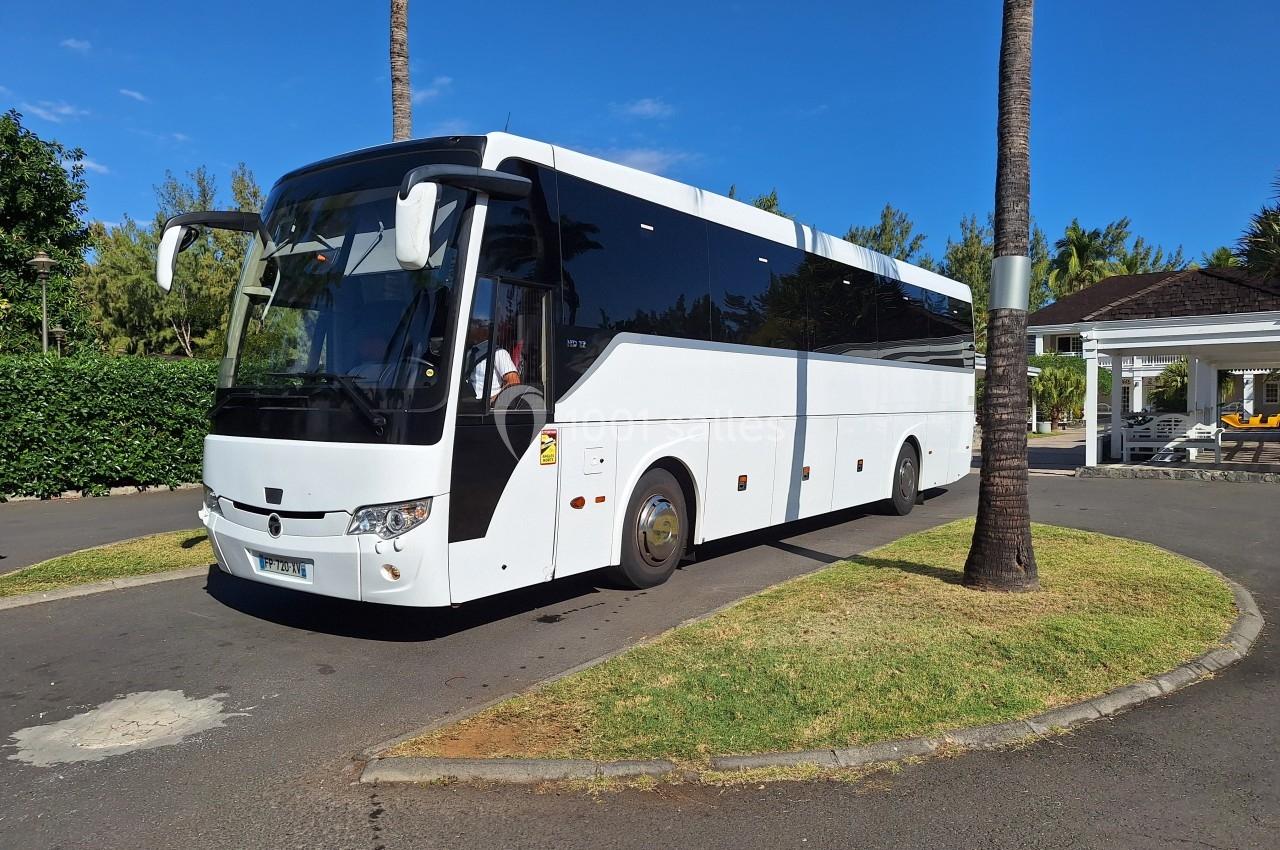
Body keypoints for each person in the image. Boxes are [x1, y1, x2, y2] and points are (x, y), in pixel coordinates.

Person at [464, 318, 520, 402]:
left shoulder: (499, 353)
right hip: (464, 401)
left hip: (484, 406)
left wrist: (492, 401)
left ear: (484, 331)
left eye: (475, 326)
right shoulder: (469, 352)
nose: (469, 328)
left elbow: (513, 382)